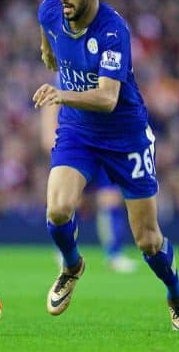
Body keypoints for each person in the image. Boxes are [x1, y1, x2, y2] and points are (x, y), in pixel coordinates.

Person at [32, 0, 179, 330]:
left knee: (148, 241)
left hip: (126, 136)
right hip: (78, 132)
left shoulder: (112, 31)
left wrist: (61, 95)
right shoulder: (50, 12)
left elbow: (107, 98)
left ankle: (176, 293)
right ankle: (72, 266)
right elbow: (45, 22)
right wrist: (46, 48)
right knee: (57, 210)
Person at [41, 98, 138, 274]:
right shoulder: (65, 77)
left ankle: (114, 254)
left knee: (111, 198)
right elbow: (52, 108)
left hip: (103, 144)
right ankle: (66, 252)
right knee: (70, 201)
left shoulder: (104, 76)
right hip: (76, 146)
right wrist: (52, 137)